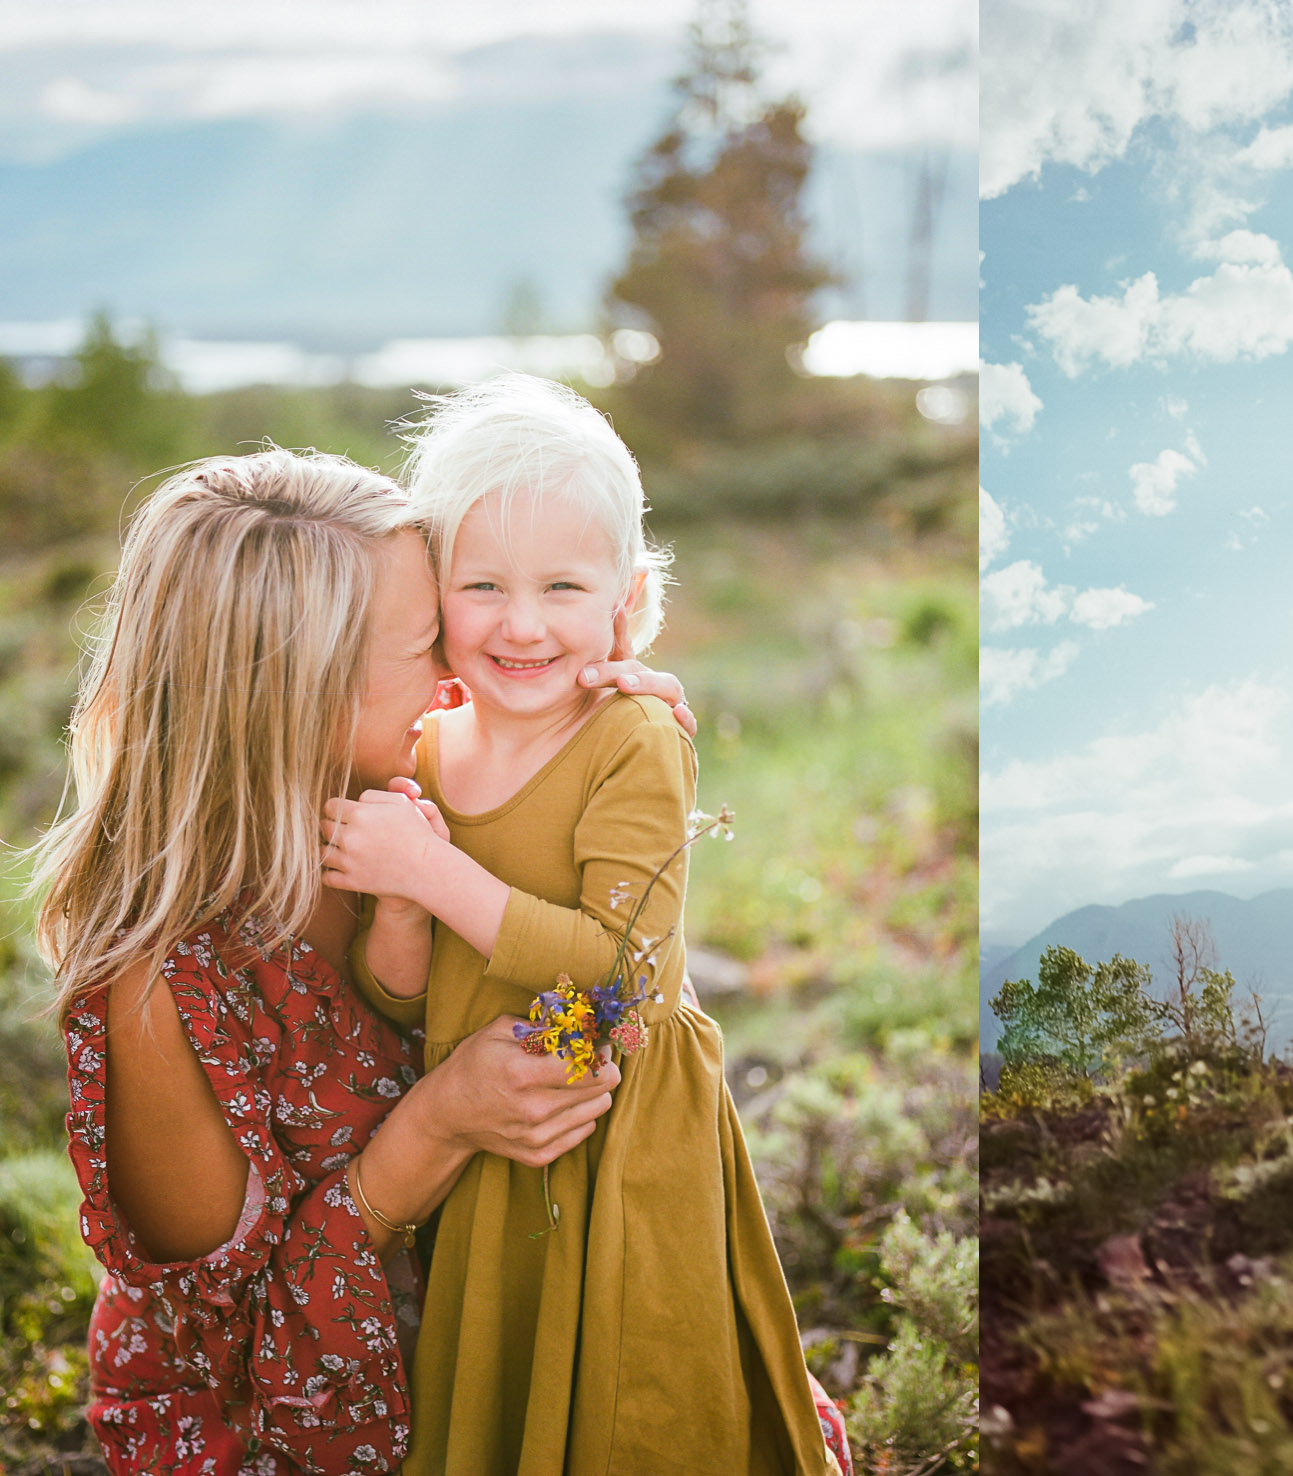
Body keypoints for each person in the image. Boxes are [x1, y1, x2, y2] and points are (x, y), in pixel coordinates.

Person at [34, 448, 689, 1474]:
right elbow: (248, 1360)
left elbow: (621, 950)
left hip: (500, 1323)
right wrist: (437, 1123)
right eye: (429, 645)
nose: (454, 676)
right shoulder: (160, 997)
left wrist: (600, 731)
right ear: (299, 698)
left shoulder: (410, 807)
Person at [322, 374, 845, 1475]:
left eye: (564, 585)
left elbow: (631, 973)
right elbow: (402, 996)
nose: (522, 624)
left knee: (633, 1396)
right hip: (489, 1138)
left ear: (627, 597)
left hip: (613, 1131)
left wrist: (436, 870)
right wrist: (404, 910)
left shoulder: (631, 738)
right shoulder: (426, 747)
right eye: (483, 586)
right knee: (507, 1394)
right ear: (433, 595)